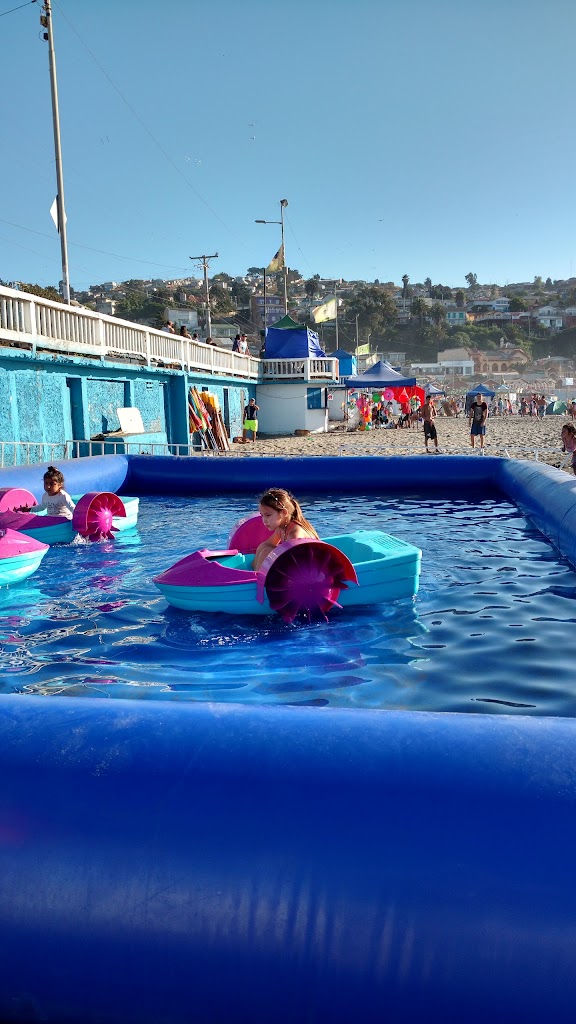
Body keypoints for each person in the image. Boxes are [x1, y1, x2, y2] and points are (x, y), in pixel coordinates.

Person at [253, 488, 319, 571]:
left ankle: (256, 576)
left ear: (284, 513)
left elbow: (295, 563)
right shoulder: (281, 528)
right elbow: (268, 544)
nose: (264, 520)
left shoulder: (295, 534)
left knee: (266, 552)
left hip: (311, 567)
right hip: (297, 561)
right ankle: (253, 573)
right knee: (263, 546)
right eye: (262, 515)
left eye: (268, 515)